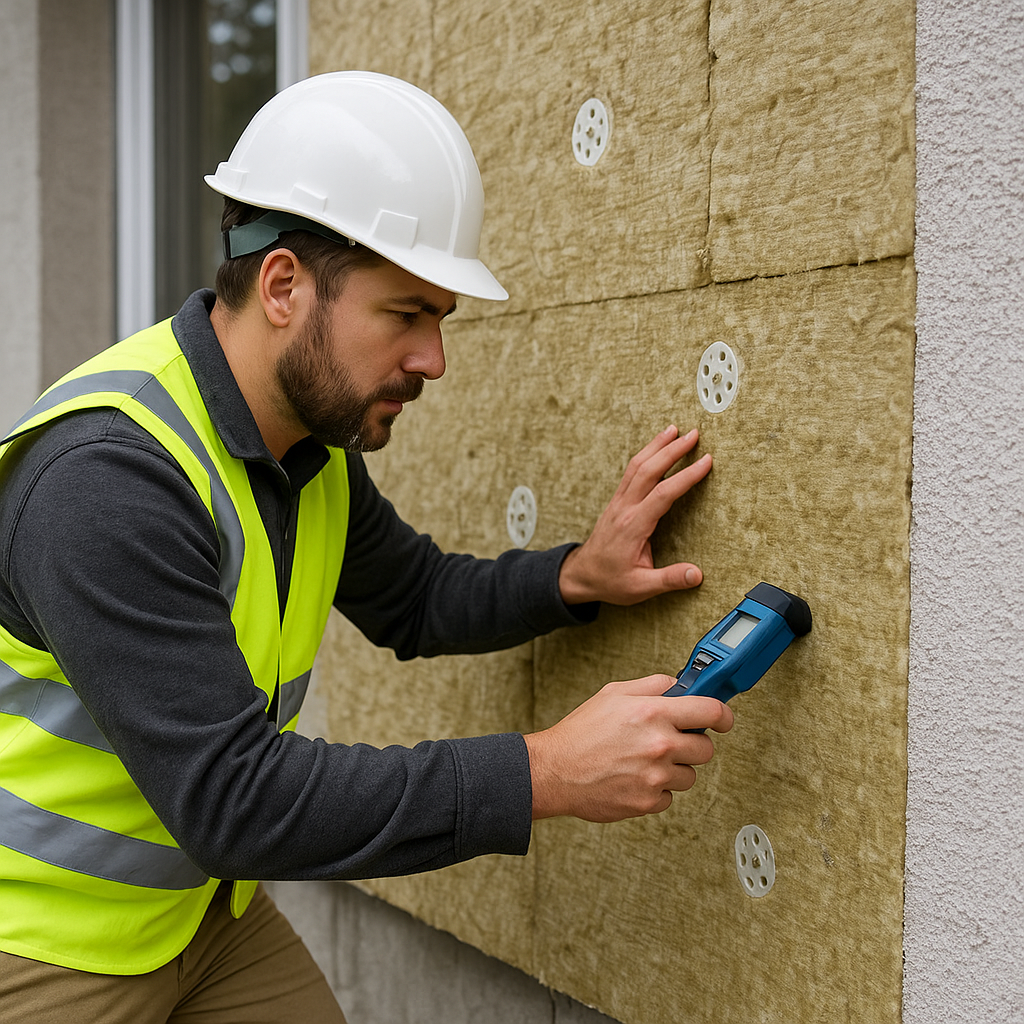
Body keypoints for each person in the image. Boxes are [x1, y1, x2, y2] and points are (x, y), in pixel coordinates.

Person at [0, 72, 732, 1022]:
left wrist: (575, 576)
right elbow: (237, 802)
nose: (434, 359)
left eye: (441, 318)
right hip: (46, 939)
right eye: (406, 314)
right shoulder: (107, 480)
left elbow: (415, 599)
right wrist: (543, 772)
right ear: (283, 286)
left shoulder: (306, 446)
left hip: (196, 911)